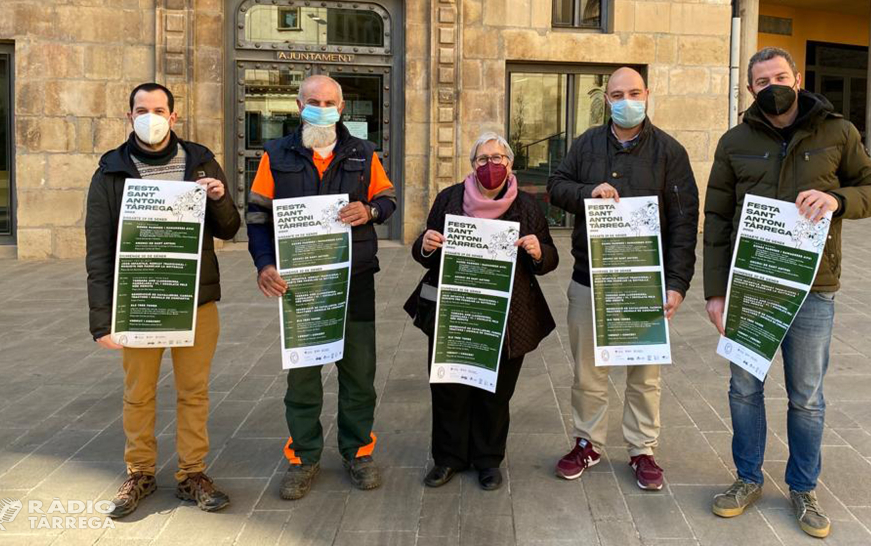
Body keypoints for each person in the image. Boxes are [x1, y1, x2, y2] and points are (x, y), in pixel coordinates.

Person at [704, 47, 871, 538]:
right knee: (744, 390)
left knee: (806, 396)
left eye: (780, 77)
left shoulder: (838, 132)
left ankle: (803, 487)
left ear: (798, 77)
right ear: (750, 89)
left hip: (814, 289)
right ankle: (747, 479)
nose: (772, 86)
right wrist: (715, 293)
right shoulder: (734, 141)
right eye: (762, 81)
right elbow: (718, 219)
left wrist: (838, 198)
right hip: (752, 286)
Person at [85, 82, 241, 518]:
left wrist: (219, 197)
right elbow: (97, 248)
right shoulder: (111, 171)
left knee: (194, 392)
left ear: (173, 117)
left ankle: (193, 474)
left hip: (195, 299)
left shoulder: (200, 161)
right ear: (129, 116)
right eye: (141, 109)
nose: (150, 116)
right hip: (139, 299)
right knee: (139, 393)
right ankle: (140, 472)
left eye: (158, 109)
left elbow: (230, 228)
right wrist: (102, 319)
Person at [547, 66, 699, 490]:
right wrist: (587, 192)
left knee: (644, 374)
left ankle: (642, 449)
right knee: (588, 372)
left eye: (634, 92)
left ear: (647, 94)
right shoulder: (586, 144)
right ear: (606, 99)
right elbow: (557, 185)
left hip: (644, 282)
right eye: (617, 94)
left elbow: (685, 222)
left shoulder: (670, 152)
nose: (626, 101)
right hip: (589, 277)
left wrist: (677, 282)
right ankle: (588, 442)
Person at [246, 75, 397, 500]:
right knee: (304, 377)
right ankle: (304, 456)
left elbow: (388, 200)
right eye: (313, 101)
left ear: (342, 107)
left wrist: (369, 210)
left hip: (355, 280)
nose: (321, 107)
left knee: (358, 373)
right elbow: (257, 217)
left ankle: (358, 451)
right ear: (299, 106)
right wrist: (264, 264)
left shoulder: (363, 153)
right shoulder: (275, 154)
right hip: (301, 285)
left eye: (329, 101)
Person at [404, 132, 559, 490]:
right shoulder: (450, 199)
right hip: (456, 310)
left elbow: (549, 257)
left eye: (498, 158)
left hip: (507, 315)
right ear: (472, 165)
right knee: (449, 388)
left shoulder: (527, 206)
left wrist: (539, 251)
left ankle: (488, 459)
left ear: (510, 163)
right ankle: (448, 458)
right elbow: (423, 252)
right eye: (482, 159)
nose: (491, 165)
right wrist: (425, 245)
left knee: (495, 393)